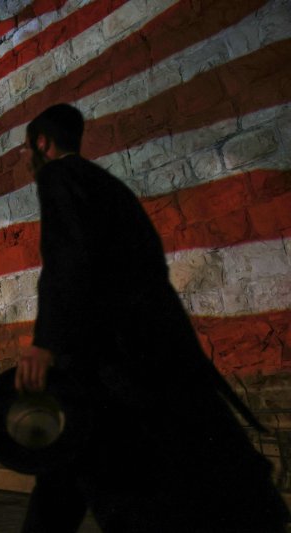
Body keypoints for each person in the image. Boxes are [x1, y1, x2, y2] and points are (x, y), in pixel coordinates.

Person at [15, 104, 289, 532]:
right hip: (151, 349)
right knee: (71, 471)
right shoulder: (109, 186)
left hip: (111, 359)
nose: (24, 157)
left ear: (42, 143)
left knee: (95, 469)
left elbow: (68, 258)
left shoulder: (59, 176)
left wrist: (46, 342)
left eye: (26, 147)